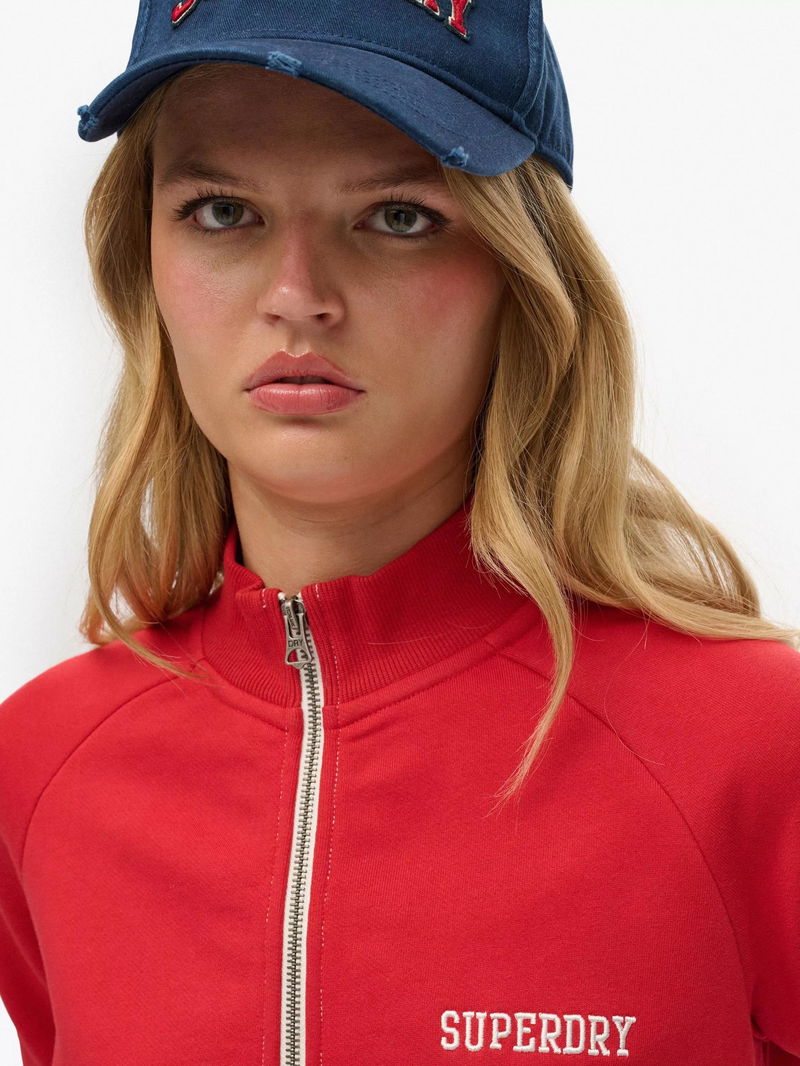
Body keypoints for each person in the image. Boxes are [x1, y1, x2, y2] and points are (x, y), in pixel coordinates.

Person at [1, 2, 798, 1064]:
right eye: (222, 211)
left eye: (398, 216)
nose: (297, 297)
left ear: (521, 272)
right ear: (138, 259)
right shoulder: (42, 767)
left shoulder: (757, 749)